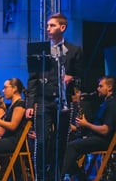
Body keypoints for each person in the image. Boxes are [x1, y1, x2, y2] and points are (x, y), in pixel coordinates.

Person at [25, 13, 84, 179]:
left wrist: (71, 77)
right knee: (41, 142)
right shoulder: (39, 50)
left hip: (63, 100)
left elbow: (81, 75)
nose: (48, 28)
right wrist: (30, 104)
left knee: (60, 142)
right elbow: (32, 80)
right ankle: (40, 177)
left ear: (62, 28)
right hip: (44, 100)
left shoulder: (74, 50)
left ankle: (58, 175)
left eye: (52, 25)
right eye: (48, 25)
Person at [61, 76, 115, 181]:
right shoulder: (105, 102)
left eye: (100, 86)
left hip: (104, 141)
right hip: (96, 138)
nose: (97, 89)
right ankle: (80, 176)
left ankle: (60, 176)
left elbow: (106, 130)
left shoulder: (112, 104)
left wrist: (86, 125)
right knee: (64, 146)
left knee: (72, 147)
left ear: (109, 87)